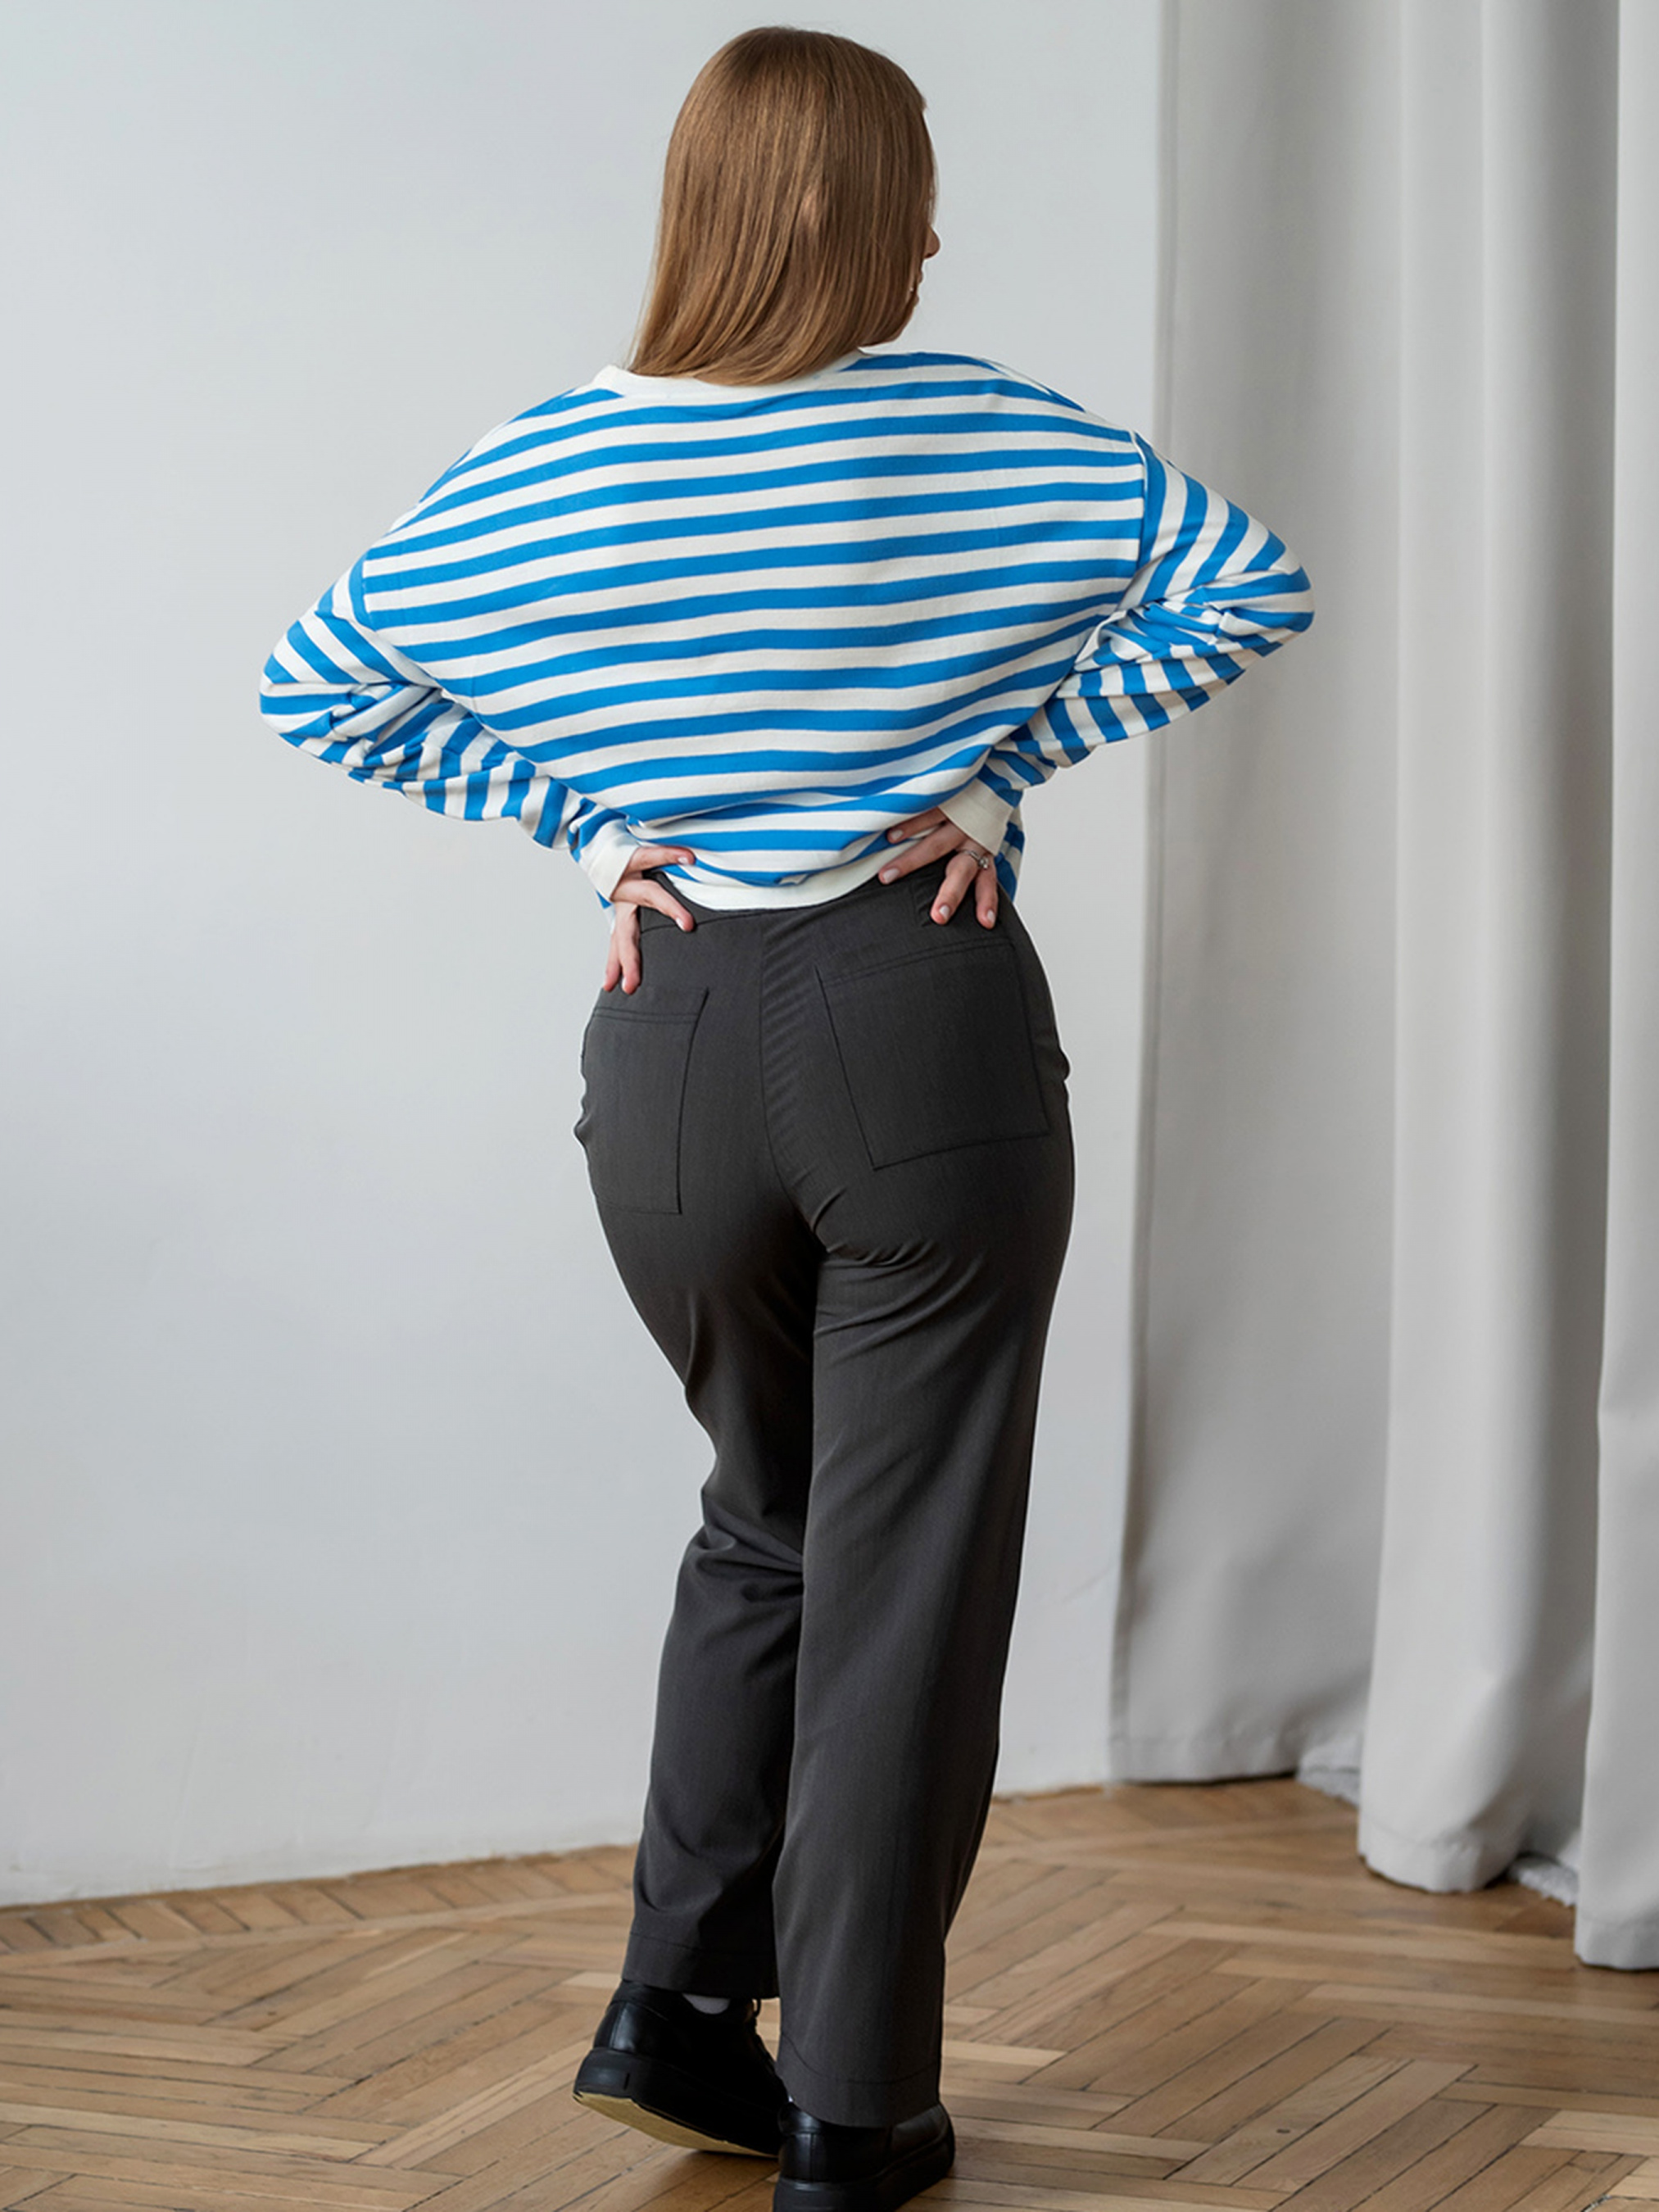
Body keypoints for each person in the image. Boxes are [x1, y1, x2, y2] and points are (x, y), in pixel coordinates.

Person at [258, 25, 1314, 2212]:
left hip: (664, 1045)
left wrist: (584, 828)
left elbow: (319, 683)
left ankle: (669, 2004)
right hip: (910, 1013)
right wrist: (993, 778)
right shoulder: (977, 427)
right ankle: (852, 2103)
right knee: (898, 1570)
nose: (934, 236)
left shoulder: (538, 464)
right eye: (916, 195)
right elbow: (1248, 581)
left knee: (768, 1517)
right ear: (875, 216)